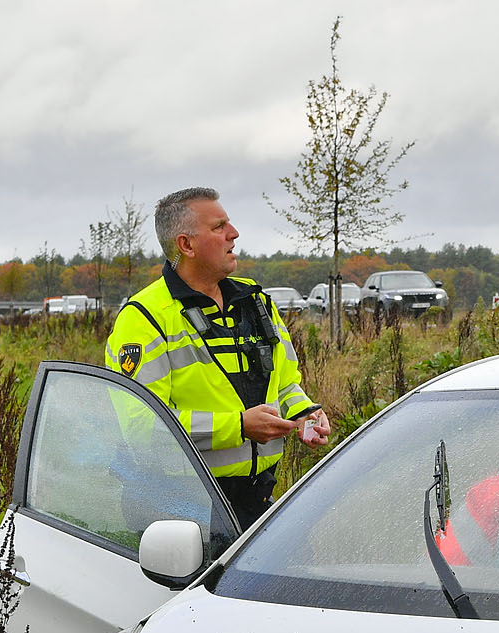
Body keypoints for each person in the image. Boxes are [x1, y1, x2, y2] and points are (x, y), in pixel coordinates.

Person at [106, 187, 332, 529]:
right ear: (186, 245)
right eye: (219, 226)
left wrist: (304, 413)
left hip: (255, 501)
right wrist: (239, 427)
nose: (234, 234)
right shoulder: (144, 318)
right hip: (177, 510)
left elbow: (285, 385)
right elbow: (143, 427)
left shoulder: (256, 303)